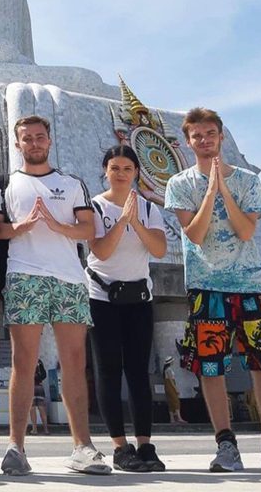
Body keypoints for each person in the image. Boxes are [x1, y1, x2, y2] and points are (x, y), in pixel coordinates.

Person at [165, 107, 261, 473]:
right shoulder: (179, 184)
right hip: (207, 285)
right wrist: (210, 190)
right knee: (211, 367)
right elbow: (194, 233)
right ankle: (226, 444)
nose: (204, 140)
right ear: (188, 141)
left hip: (251, 282)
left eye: (210, 133)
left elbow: (246, 231)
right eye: (197, 135)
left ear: (221, 137)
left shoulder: (248, 181)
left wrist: (225, 187)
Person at [0, 115, 110, 476]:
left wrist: (57, 227)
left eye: (40, 137)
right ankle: (16, 446)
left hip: (68, 279)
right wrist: (22, 227)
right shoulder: (4, 183)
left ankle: (82, 446)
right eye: (27, 139)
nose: (35, 143)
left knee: (74, 362)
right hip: (24, 275)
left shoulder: (72, 183)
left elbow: (88, 228)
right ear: (18, 144)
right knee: (23, 362)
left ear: (49, 141)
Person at [86, 146, 168, 472]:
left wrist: (137, 221)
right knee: (108, 370)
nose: (121, 174)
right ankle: (120, 446)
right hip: (102, 296)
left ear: (136, 172)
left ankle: (145, 444)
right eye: (115, 167)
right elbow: (101, 251)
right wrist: (122, 222)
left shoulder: (148, 208)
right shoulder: (94, 205)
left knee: (138, 371)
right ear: (105, 170)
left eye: (128, 168)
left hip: (138, 297)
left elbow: (159, 249)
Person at [28, 360, 50, 435]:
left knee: (32, 409)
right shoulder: (39, 361)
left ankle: (34, 429)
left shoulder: (26, 360)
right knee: (42, 409)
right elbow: (44, 375)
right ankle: (46, 429)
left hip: (31, 386)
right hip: (40, 387)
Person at [162, 357, 186, 424]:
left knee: (171, 402)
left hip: (167, 386)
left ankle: (172, 419)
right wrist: (176, 389)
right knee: (176, 401)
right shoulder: (169, 370)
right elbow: (171, 381)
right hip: (170, 386)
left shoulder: (166, 370)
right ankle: (178, 417)